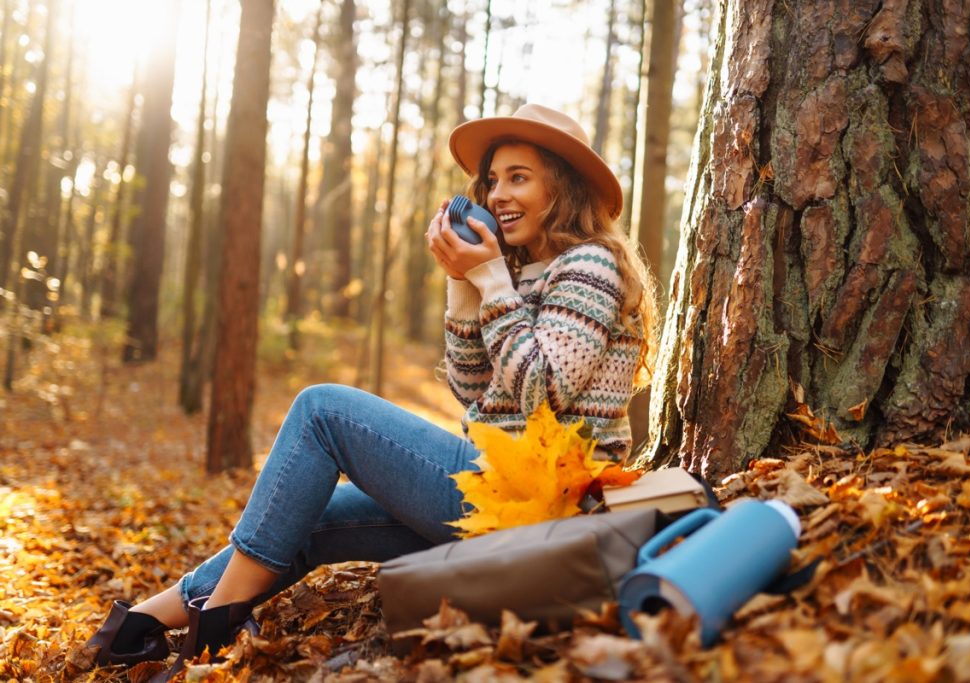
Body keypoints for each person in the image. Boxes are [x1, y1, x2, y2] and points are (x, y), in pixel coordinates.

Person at [81, 104, 659, 678]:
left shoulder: (592, 265)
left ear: (565, 186)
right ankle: (141, 625)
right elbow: (475, 389)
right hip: (498, 496)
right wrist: (464, 287)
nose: (498, 194)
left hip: (545, 506)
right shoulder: (522, 270)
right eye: (492, 180)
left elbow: (543, 387)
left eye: (519, 177)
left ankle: (218, 622)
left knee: (321, 409)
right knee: (306, 511)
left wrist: (489, 282)